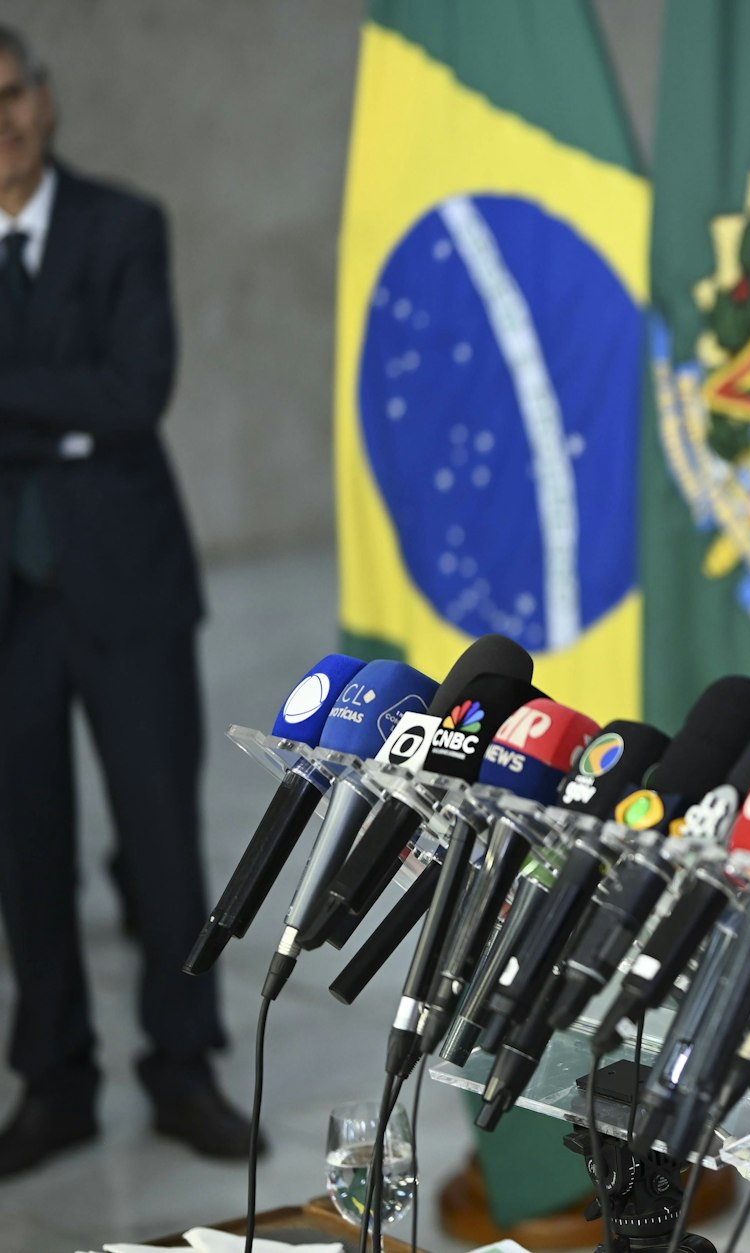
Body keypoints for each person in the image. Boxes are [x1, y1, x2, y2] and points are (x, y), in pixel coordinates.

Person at [0, 24, 254, 1177]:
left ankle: (183, 1067)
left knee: (161, 844)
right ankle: (54, 1081)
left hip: (129, 587)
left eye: (8, 95)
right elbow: (88, 400)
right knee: (26, 851)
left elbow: (135, 390)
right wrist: (61, 410)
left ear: (45, 101)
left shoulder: (122, 223)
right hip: (10, 605)